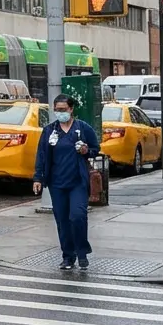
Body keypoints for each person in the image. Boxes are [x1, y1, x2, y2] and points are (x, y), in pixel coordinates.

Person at [33, 94, 100, 270]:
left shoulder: (82, 128)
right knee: (62, 221)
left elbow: (95, 149)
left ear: (71, 109)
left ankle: (82, 253)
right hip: (57, 184)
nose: (60, 113)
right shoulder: (49, 131)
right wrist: (38, 178)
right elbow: (41, 155)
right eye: (57, 110)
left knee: (77, 216)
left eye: (63, 109)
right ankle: (68, 256)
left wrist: (86, 150)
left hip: (77, 182)